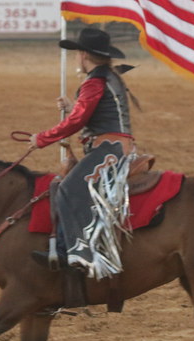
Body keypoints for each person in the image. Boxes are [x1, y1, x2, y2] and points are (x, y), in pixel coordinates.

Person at [29, 27, 137, 279]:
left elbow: (78, 121)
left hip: (109, 150)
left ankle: (79, 252)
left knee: (68, 189)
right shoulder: (107, 77)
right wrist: (73, 106)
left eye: (77, 52)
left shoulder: (95, 82)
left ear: (84, 54)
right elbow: (93, 112)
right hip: (117, 147)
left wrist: (42, 138)